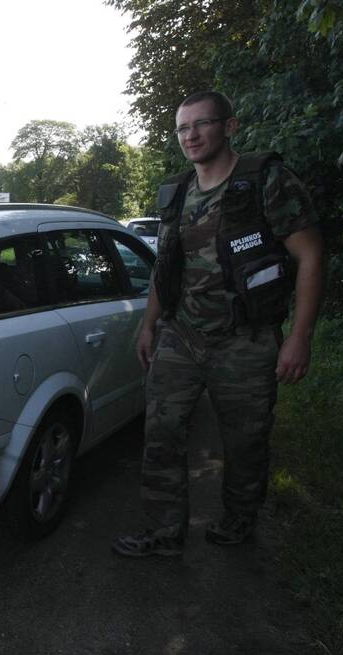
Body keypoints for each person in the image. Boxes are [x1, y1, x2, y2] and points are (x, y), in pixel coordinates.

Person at [112, 91, 323, 558]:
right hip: (180, 338)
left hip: (245, 342)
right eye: (182, 128)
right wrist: (149, 326)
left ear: (229, 126)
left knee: (246, 442)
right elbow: (164, 270)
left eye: (201, 124)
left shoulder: (266, 182)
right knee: (161, 436)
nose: (190, 135)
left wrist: (299, 338)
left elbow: (310, 256)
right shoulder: (177, 192)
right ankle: (164, 533)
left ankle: (238, 520)